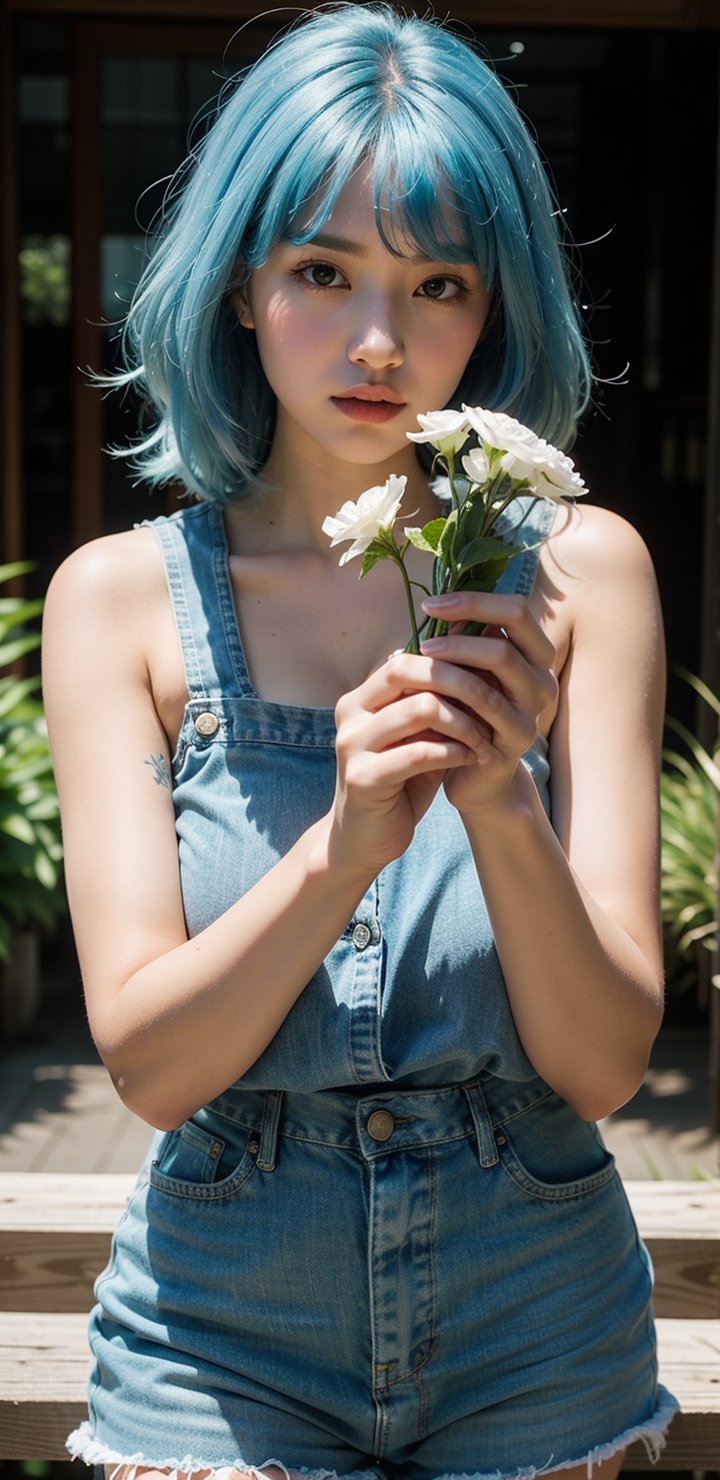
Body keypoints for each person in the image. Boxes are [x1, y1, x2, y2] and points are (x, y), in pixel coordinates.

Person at [42, 6, 678, 1480]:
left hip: (544, 1310)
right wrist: (342, 847)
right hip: (220, 1327)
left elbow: (600, 1065)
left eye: (437, 283)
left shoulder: (587, 576)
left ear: (494, 307)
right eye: (323, 271)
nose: (380, 344)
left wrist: (501, 806)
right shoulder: (124, 602)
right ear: (237, 287)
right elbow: (148, 1070)